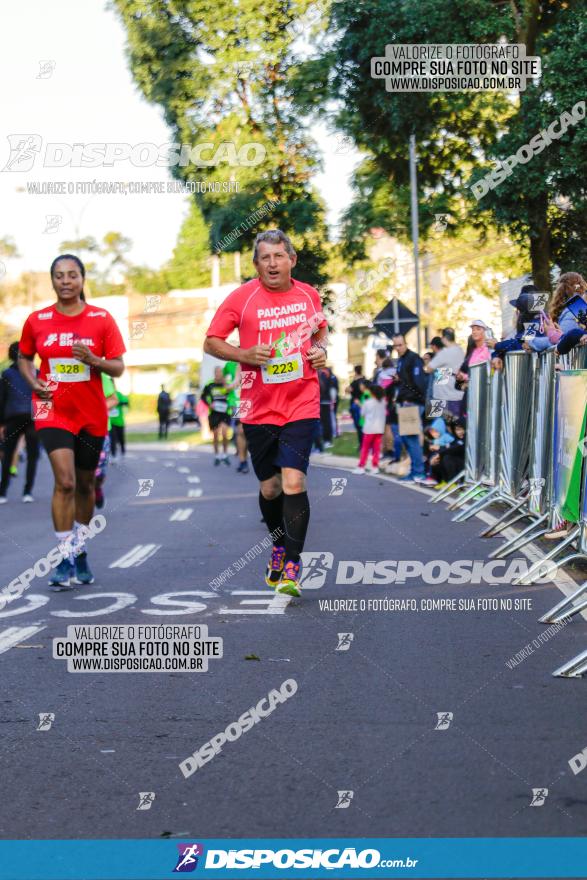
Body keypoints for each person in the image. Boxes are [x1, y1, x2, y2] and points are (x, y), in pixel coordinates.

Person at [203, 228, 328, 597]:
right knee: (271, 488)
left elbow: (320, 334)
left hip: (302, 400)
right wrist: (243, 355)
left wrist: (321, 354)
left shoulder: (309, 295)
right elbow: (211, 341)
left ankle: (292, 562)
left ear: (292, 259)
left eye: (279, 256)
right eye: (265, 258)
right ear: (256, 264)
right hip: (257, 407)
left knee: (294, 481)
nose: (272, 263)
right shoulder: (241, 298)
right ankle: (277, 545)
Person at [18, 254, 125, 587]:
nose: (66, 281)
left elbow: (118, 367)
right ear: (52, 280)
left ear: (82, 279)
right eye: (60, 276)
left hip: (90, 414)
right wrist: (33, 381)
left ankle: (80, 548)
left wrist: (94, 359)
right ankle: (63, 556)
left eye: (72, 275)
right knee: (64, 482)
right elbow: (24, 357)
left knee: (85, 484)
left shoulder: (101, 319)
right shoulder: (38, 320)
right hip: (52, 409)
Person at [0, 341, 40, 503]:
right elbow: (45, 396)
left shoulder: (6, 374)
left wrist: (1, 423)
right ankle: (27, 492)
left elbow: (1, 400)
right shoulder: (37, 373)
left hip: (13, 417)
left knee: (8, 456)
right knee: (32, 456)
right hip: (33, 418)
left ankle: (3, 492)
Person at [391, 333, 428, 483]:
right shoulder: (401, 360)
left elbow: (419, 383)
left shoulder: (413, 358)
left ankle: (418, 473)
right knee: (407, 439)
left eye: (400, 345)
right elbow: (407, 381)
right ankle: (415, 471)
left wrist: (411, 399)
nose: (398, 348)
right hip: (405, 403)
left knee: (411, 439)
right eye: (395, 345)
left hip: (411, 403)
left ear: (406, 344)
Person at [492, 285, 551, 370]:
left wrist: (496, 345)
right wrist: (497, 355)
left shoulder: (536, 323)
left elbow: (519, 344)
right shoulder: (533, 323)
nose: (517, 313)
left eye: (519, 309)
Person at [424, 327, 465, 418]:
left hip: (442, 396)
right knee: (455, 426)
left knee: (439, 426)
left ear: (444, 338)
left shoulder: (445, 352)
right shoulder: (460, 350)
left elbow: (429, 368)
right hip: (457, 394)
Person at [94, 373, 119, 509]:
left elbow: (113, 399)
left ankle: (97, 487)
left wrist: (95, 408)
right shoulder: (57, 373)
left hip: (100, 429)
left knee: (98, 473)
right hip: (70, 430)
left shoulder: (100, 375)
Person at [201, 367, 233, 465]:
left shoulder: (227, 384)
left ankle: (225, 454)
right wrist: (209, 404)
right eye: (217, 372)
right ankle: (217, 455)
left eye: (220, 372)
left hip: (225, 412)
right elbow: (203, 396)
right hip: (214, 413)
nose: (219, 374)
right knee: (215, 435)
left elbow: (232, 395)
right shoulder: (209, 384)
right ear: (214, 373)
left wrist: (231, 405)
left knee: (224, 433)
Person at [353, 385, 386, 474]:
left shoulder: (368, 402)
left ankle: (361, 466)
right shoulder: (383, 402)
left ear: (372, 393)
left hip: (369, 429)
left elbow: (363, 414)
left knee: (365, 448)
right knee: (376, 449)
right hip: (379, 429)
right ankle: (375, 467)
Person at [223, 360, 249, 473]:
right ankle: (243, 461)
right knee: (241, 430)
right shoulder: (229, 365)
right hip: (239, 401)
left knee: (249, 431)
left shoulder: (255, 356)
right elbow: (226, 385)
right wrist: (231, 385)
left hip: (256, 399)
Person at [430, 419, 466, 484]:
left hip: (465, 467)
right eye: (457, 429)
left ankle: (453, 483)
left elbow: (455, 448)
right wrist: (437, 455)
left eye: (461, 429)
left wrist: (440, 452)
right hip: (459, 465)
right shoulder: (456, 440)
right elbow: (450, 447)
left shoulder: (467, 439)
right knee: (436, 458)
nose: (460, 432)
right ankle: (442, 481)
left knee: (447, 458)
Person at [346, 365, 365, 448]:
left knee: (358, 426)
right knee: (363, 425)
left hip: (356, 404)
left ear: (355, 371)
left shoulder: (355, 382)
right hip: (363, 404)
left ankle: (362, 444)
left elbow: (347, 390)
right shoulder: (364, 379)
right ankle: (364, 443)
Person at [109, 384, 129, 461]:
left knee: (121, 438)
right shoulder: (106, 394)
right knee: (112, 439)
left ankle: (123, 451)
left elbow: (126, 403)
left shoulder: (119, 394)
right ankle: (113, 455)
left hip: (119, 421)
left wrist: (117, 403)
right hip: (110, 422)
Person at [319, 367, 334, 448]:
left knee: (325, 422)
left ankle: (327, 440)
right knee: (326, 422)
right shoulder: (327, 372)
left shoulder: (322, 373)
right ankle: (327, 440)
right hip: (325, 400)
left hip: (323, 401)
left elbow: (323, 387)